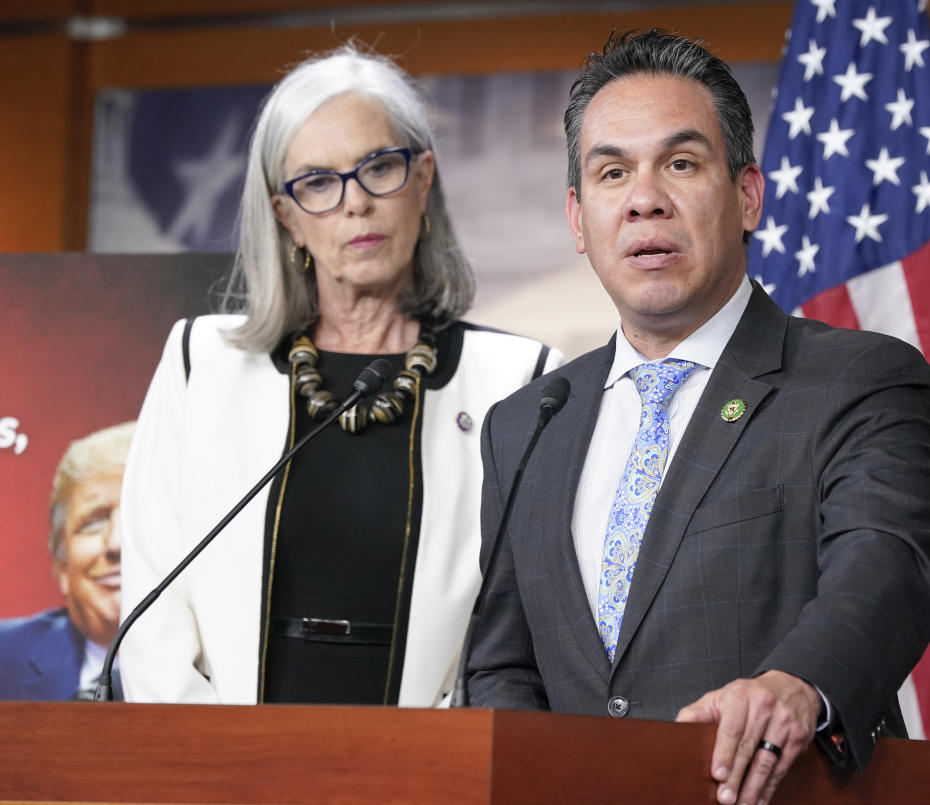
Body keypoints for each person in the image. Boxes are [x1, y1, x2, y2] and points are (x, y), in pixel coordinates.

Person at [463, 30, 930, 805]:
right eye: (612, 172)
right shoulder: (529, 423)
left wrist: (798, 684)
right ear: (580, 219)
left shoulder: (855, 380)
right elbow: (504, 666)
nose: (644, 198)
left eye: (680, 164)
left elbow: (884, 567)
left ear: (747, 195)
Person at [119, 44, 561, 707]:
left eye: (378, 167)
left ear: (422, 181)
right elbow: (152, 609)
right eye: (318, 183)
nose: (354, 203)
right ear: (284, 216)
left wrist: (429, 769)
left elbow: (519, 631)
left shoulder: (519, 382)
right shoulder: (199, 365)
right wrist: (215, 771)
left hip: (426, 778)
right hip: (220, 780)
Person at [0, 422, 134, 700]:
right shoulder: (5, 659)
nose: (116, 544)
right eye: (93, 523)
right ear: (60, 564)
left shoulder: (238, 661)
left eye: (139, 518)